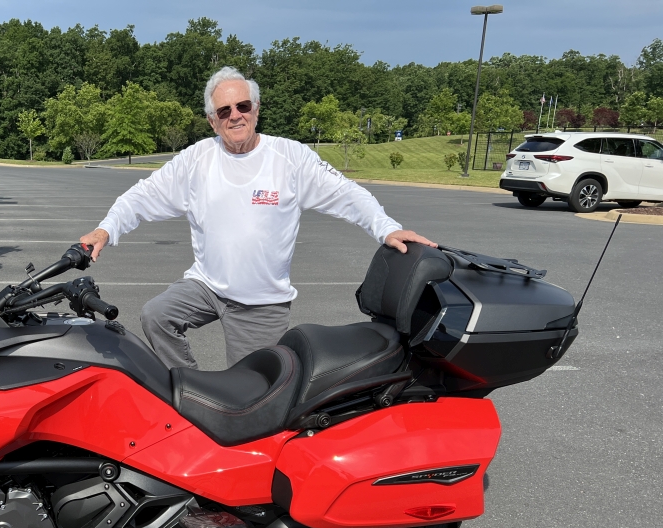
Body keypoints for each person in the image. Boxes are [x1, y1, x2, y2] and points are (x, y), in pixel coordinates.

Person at [80, 66, 436, 369]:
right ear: (212, 121)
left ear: (256, 109)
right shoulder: (196, 159)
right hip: (206, 286)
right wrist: (106, 229)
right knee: (157, 315)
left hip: (261, 302)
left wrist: (387, 228)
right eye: (224, 111)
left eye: (243, 105)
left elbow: (347, 193)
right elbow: (142, 195)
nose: (235, 115)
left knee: (250, 395)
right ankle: (192, 385)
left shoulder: (290, 158)